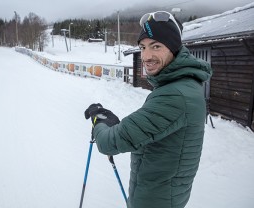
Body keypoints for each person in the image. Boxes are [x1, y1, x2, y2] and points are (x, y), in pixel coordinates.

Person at [84, 11, 212, 208]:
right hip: (160, 195)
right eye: (142, 47)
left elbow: (109, 143)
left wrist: (99, 121)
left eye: (156, 46)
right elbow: (151, 130)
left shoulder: (175, 95)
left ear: (174, 48)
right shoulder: (179, 85)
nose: (146, 56)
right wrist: (116, 126)